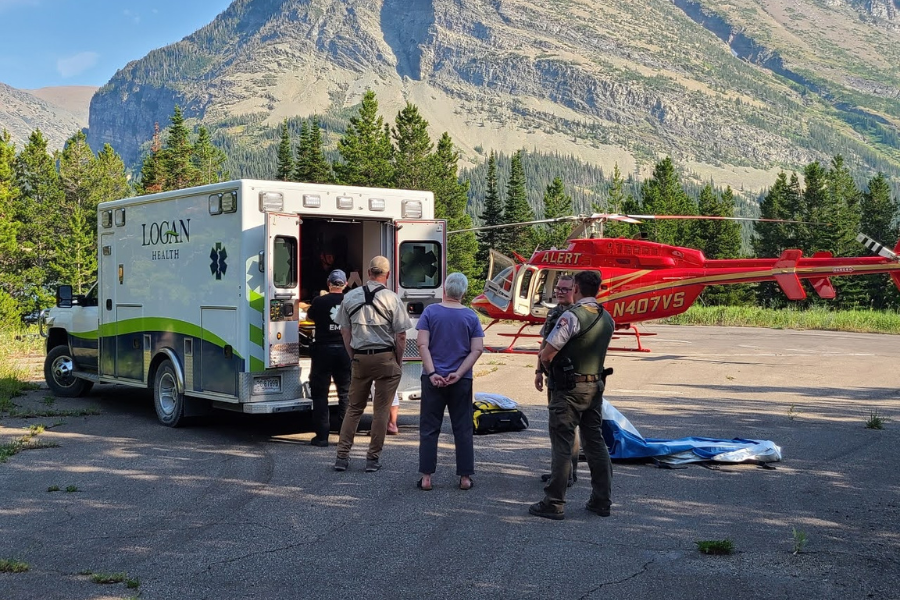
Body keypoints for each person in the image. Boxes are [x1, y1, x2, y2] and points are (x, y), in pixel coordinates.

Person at [529, 270, 615, 520]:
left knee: (562, 445)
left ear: (576, 287)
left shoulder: (571, 317)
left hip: (568, 390)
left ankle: (554, 502)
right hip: (594, 387)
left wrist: (548, 370)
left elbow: (547, 352)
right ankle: (602, 500)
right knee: (595, 443)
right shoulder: (606, 317)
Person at [333, 256, 412, 473]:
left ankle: (342, 456)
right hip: (385, 358)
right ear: (387, 275)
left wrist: (352, 355)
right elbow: (401, 335)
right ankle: (372, 459)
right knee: (381, 411)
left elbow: (344, 330)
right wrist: (398, 360)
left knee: (354, 408)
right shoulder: (392, 298)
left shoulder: (349, 297)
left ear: (368, 272)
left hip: (360, 357)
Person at [416, 272, 484, 491]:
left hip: (432, 379)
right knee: (462, 428)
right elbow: (477, 349)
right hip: (460, 380)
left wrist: (433, 372)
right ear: (463, 292)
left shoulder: (430, 312)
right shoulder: (471, 317)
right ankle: (465, 477)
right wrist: (459, 372)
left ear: (444, 290)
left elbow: (422, 345)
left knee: (429, 428)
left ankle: (426, 477)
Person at [534, 275, 579, 486]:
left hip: (568, 378)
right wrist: (538, 371)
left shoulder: (577, 314)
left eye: (565, 289)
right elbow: (544, 342)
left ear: (575, 290)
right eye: (558, 289)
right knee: (556, 426)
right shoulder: (554, 313)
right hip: (552, 376)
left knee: (567, 427)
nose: (560, 292)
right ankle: (560, 471)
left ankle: (568, 473)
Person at [306, 269, 351, 447]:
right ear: (346, 284)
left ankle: (322, 436)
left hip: (323, 350)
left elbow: (310, 316)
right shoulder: (350, 301)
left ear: (328, 283)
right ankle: (344, 435)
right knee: (345, 393)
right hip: (344, 351)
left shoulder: (319, 301)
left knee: (320, 394)